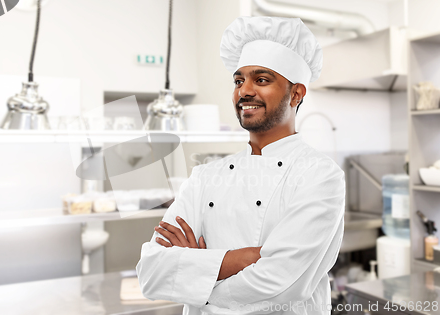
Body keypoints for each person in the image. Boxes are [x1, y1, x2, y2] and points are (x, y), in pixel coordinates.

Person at [136, 16, 345, 315]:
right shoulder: (206, 176)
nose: (244, 91)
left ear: (296, 93)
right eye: (238, 81)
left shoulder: (319, 176)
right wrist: (242, 258)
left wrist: (196, 274)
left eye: (261, 80)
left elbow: (282, 283)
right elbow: (151, 271)